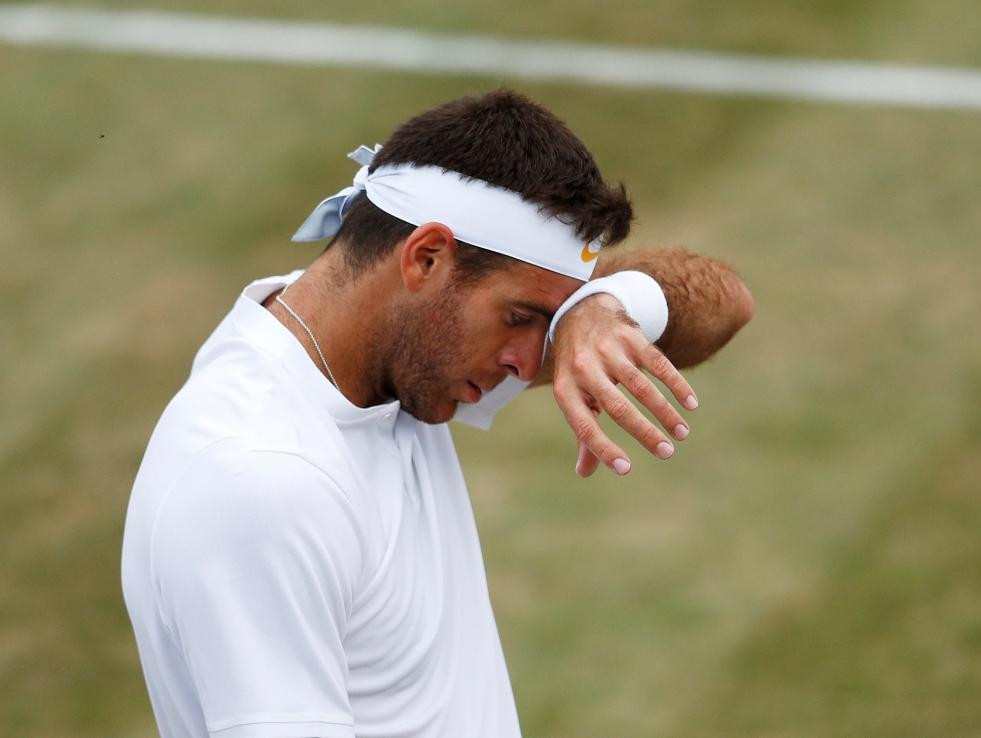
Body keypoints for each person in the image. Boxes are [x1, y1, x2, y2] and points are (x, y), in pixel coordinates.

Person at [121, 89, 753, 738]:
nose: (528, 360)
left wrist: (604, 307)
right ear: (426, 257)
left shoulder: (376, 353)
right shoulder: (261, 481)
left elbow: (725, 302)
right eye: (522, 317)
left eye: (552, 321)